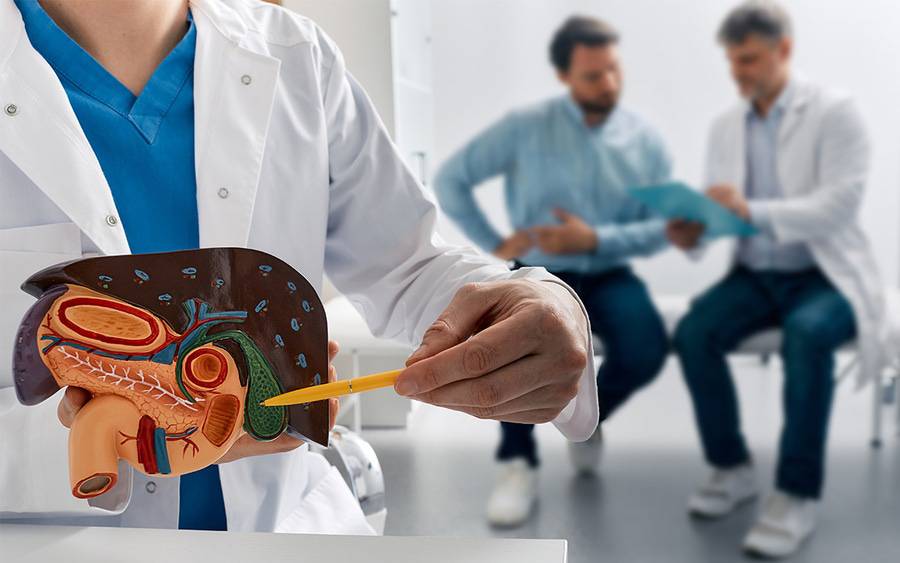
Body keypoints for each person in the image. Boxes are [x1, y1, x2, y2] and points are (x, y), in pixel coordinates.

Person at [0, 0, 598, 534]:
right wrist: (104, 437)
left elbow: (415, 267)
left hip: (284, 532)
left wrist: (536, 299)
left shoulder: (298, 58)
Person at [667, 1, 893, 557]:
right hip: (754, 276)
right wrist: (693, 234)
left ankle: (797, 492)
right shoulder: (726, 125)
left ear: (783, 50)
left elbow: (837, 207)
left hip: (825, 275)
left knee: (808, 335)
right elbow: (723, 211)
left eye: (749, 60)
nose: (739, 73)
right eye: (732, 62)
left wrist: (751, 211)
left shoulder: (837, 113)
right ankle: (731, 466)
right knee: (695, 332)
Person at [434, 16, 672, 527]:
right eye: (592, 76)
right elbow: (453, 179)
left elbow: (660, 227)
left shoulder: (644, 141)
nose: (607, 84)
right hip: (541, 272)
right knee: (507, 350)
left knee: (647, 349)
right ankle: (517, 462)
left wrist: (597, 239)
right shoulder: (526, 127)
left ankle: (588, 417)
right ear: (565, 76)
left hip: (610, 273)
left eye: (613, 70)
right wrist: (498, 243)